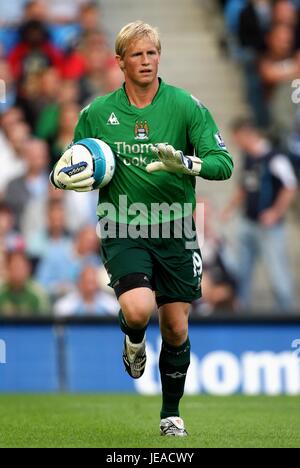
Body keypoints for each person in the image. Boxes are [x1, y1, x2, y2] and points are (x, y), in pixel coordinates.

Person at [50, 21, 233, 436]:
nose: (147, 61)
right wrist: (62, 176)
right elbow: (73, 163)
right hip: (123, 225)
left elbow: (224, 164)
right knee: (138, 309)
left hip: (177, 229)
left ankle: (171, 413)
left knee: (176, 326)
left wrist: (186, 163)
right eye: (137, 54)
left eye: (152, 53)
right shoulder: (96, 113)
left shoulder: (187, 106)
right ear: (120, 61)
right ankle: (133, 338)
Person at [222, 118, 297, 310]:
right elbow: (245, 186)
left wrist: (275, 212)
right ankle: (241, 311)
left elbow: (290, 186)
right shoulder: (249, 158)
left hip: (268, 227)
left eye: (237, 138)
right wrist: (230, 208)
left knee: (277, 271)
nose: (236, 143)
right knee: (242, 271)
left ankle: (285, 313)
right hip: (248, 222)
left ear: (247, 134)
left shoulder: (274, 157)